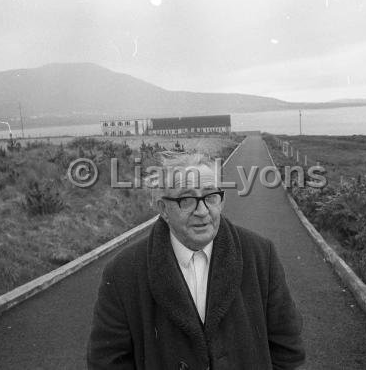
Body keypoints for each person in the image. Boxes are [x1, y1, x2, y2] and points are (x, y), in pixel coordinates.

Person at [87, 152, 305, 369]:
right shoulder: (123, 272)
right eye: (187, 200)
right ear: (163, 209)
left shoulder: (259, 255)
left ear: (221, 200)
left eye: (210, 196)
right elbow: (107, 361)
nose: (202, 211)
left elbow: (287, 348)